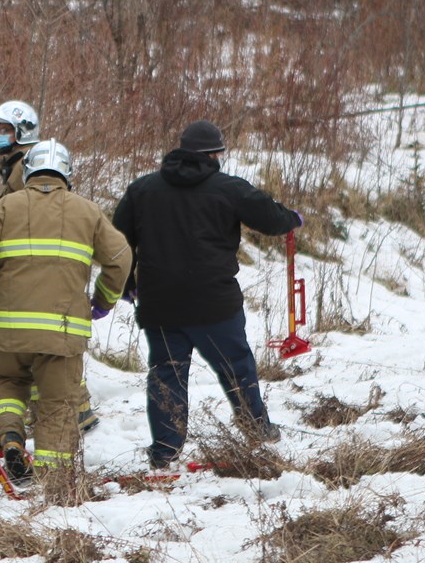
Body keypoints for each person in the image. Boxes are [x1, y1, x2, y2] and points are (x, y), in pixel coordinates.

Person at [111, 119, 302, 470]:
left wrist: (126, 285)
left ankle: (165, 450)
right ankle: (257, 429)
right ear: (215, 154)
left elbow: (118, 243)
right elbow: (270, 218)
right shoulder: (228, 188)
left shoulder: (142, 189)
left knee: (166, 374)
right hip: (214, 304)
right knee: (236, 368)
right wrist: (291, 219)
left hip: (160, 305)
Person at [0, 140, 131, 497]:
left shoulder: (5, 207)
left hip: (6, 327)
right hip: (61, 331)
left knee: (8, 383)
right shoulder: (87, 211)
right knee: (56, 405)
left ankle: (11, 437)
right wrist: (102, 302)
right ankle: (55, 486)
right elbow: (120, 258)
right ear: (67, 173)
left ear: (28, 171)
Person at [0, 99, 101, 435]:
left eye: (5, 129)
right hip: (46, 265)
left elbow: (31, 212)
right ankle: (77, 411)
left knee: (40, 349)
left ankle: (71, 412)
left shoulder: (26, 166)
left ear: (22, 131)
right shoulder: (20, 162)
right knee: (51, 345)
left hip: (35, 265)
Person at [0, 100, 39, 202]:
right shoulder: (14, 160)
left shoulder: (28, 164)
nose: (0, 134)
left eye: (5, 130)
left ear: (23, 132)